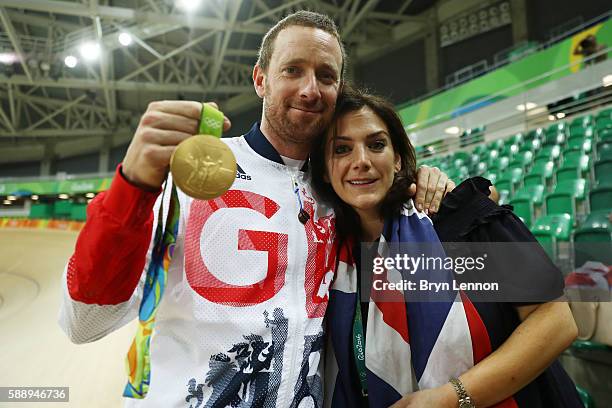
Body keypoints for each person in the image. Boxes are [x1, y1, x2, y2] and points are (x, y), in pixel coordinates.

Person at [58, 11, 453, 407]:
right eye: (293, 70)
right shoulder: (190, 174)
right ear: (260, 79)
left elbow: (503, 276)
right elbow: (85, 324)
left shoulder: (345, 191)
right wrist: (134, 186)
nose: (310, 89)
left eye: (326, 76)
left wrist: (440, 192)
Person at [310, 85, 581, 407]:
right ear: (325, 171)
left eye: (376, 144)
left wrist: (451, 397)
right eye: (341, 150)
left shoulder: (461, 217)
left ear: (397, 159)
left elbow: (555, 320)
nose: (362, 161)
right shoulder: (330, 255)